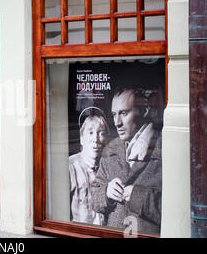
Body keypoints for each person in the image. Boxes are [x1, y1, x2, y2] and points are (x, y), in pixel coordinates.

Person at [91, 87, 162, 235]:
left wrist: (139, 197)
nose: (117, 123)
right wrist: (106, 192)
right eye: (114, 114)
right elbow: (94, 197)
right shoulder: (112, 148)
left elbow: (180, 209)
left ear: (145, 110)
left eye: (124, 113)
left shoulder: (163, 148)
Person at [69, 107, 109, 225]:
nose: (95, 139)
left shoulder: (109, 166)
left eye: (100, 133)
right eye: (90, 133)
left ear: (105, 139)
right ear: (81, 139)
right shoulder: (70, 167)